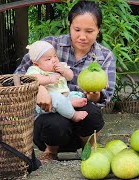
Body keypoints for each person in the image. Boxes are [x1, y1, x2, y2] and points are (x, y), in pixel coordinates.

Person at [14, 0, 116, 163]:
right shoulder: (49, 46)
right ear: (69, 26)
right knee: (55, 121)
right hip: (50, 130)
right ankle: (50, 152)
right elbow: (17, 77)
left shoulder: (104, 56)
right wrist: (39, 87)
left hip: (82, 129)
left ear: (98, 30)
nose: (82, 36)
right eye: (77, 30)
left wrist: (94, 95)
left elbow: (106, 96)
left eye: (89, 31)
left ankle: (88, 148)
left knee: (92, 112)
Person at [25, 40, 88, 122]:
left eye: (55, 56)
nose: (54, 60)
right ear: (36, 64)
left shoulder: (60, 66)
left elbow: (70, 77)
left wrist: (64, 71)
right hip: (48, 101)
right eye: (49, 59)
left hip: (66, 95)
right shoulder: (35, 69)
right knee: (57, 98)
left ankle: (68, 103)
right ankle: (73, 115)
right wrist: (48, 79)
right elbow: (32, 79)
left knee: (78, 94)